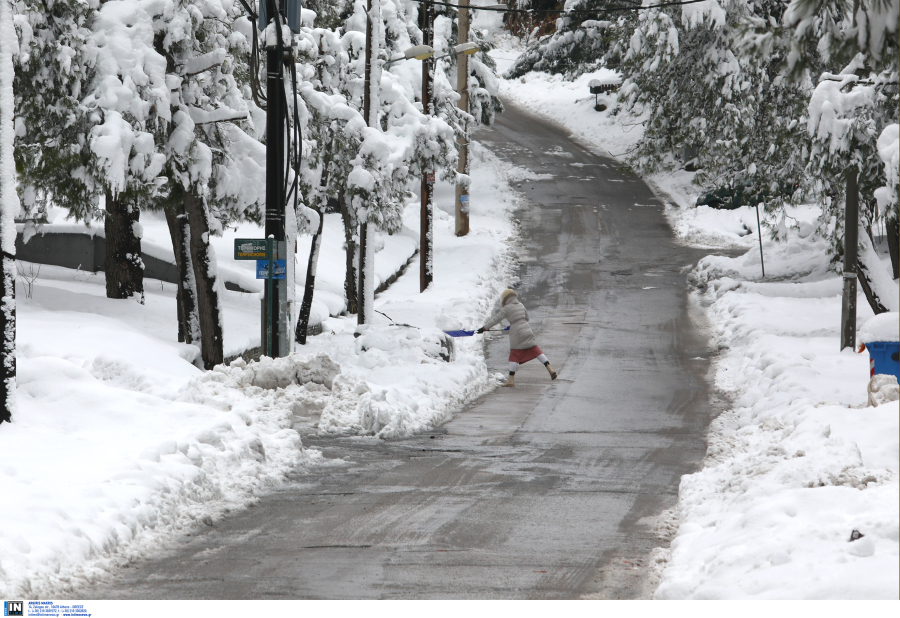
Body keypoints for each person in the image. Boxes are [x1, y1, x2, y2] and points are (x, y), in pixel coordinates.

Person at [477, 289, 557, 387]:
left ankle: (510, 380)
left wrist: (484, 328)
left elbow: (495, 319)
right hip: (527, 329)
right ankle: (550, 369)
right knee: (536, 351)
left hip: (517, 333)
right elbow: (527, 318)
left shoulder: (506, 308)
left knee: (514, 356)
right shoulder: (521, 305)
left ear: (505, 299)